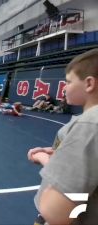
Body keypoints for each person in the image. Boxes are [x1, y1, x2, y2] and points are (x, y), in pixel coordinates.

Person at [27, 48, 98, 225]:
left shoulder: (89, 125)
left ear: (89, 83)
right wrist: (55, 152)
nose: (64, 87)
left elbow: (55, 211)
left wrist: (43, 157)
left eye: (68, 82)